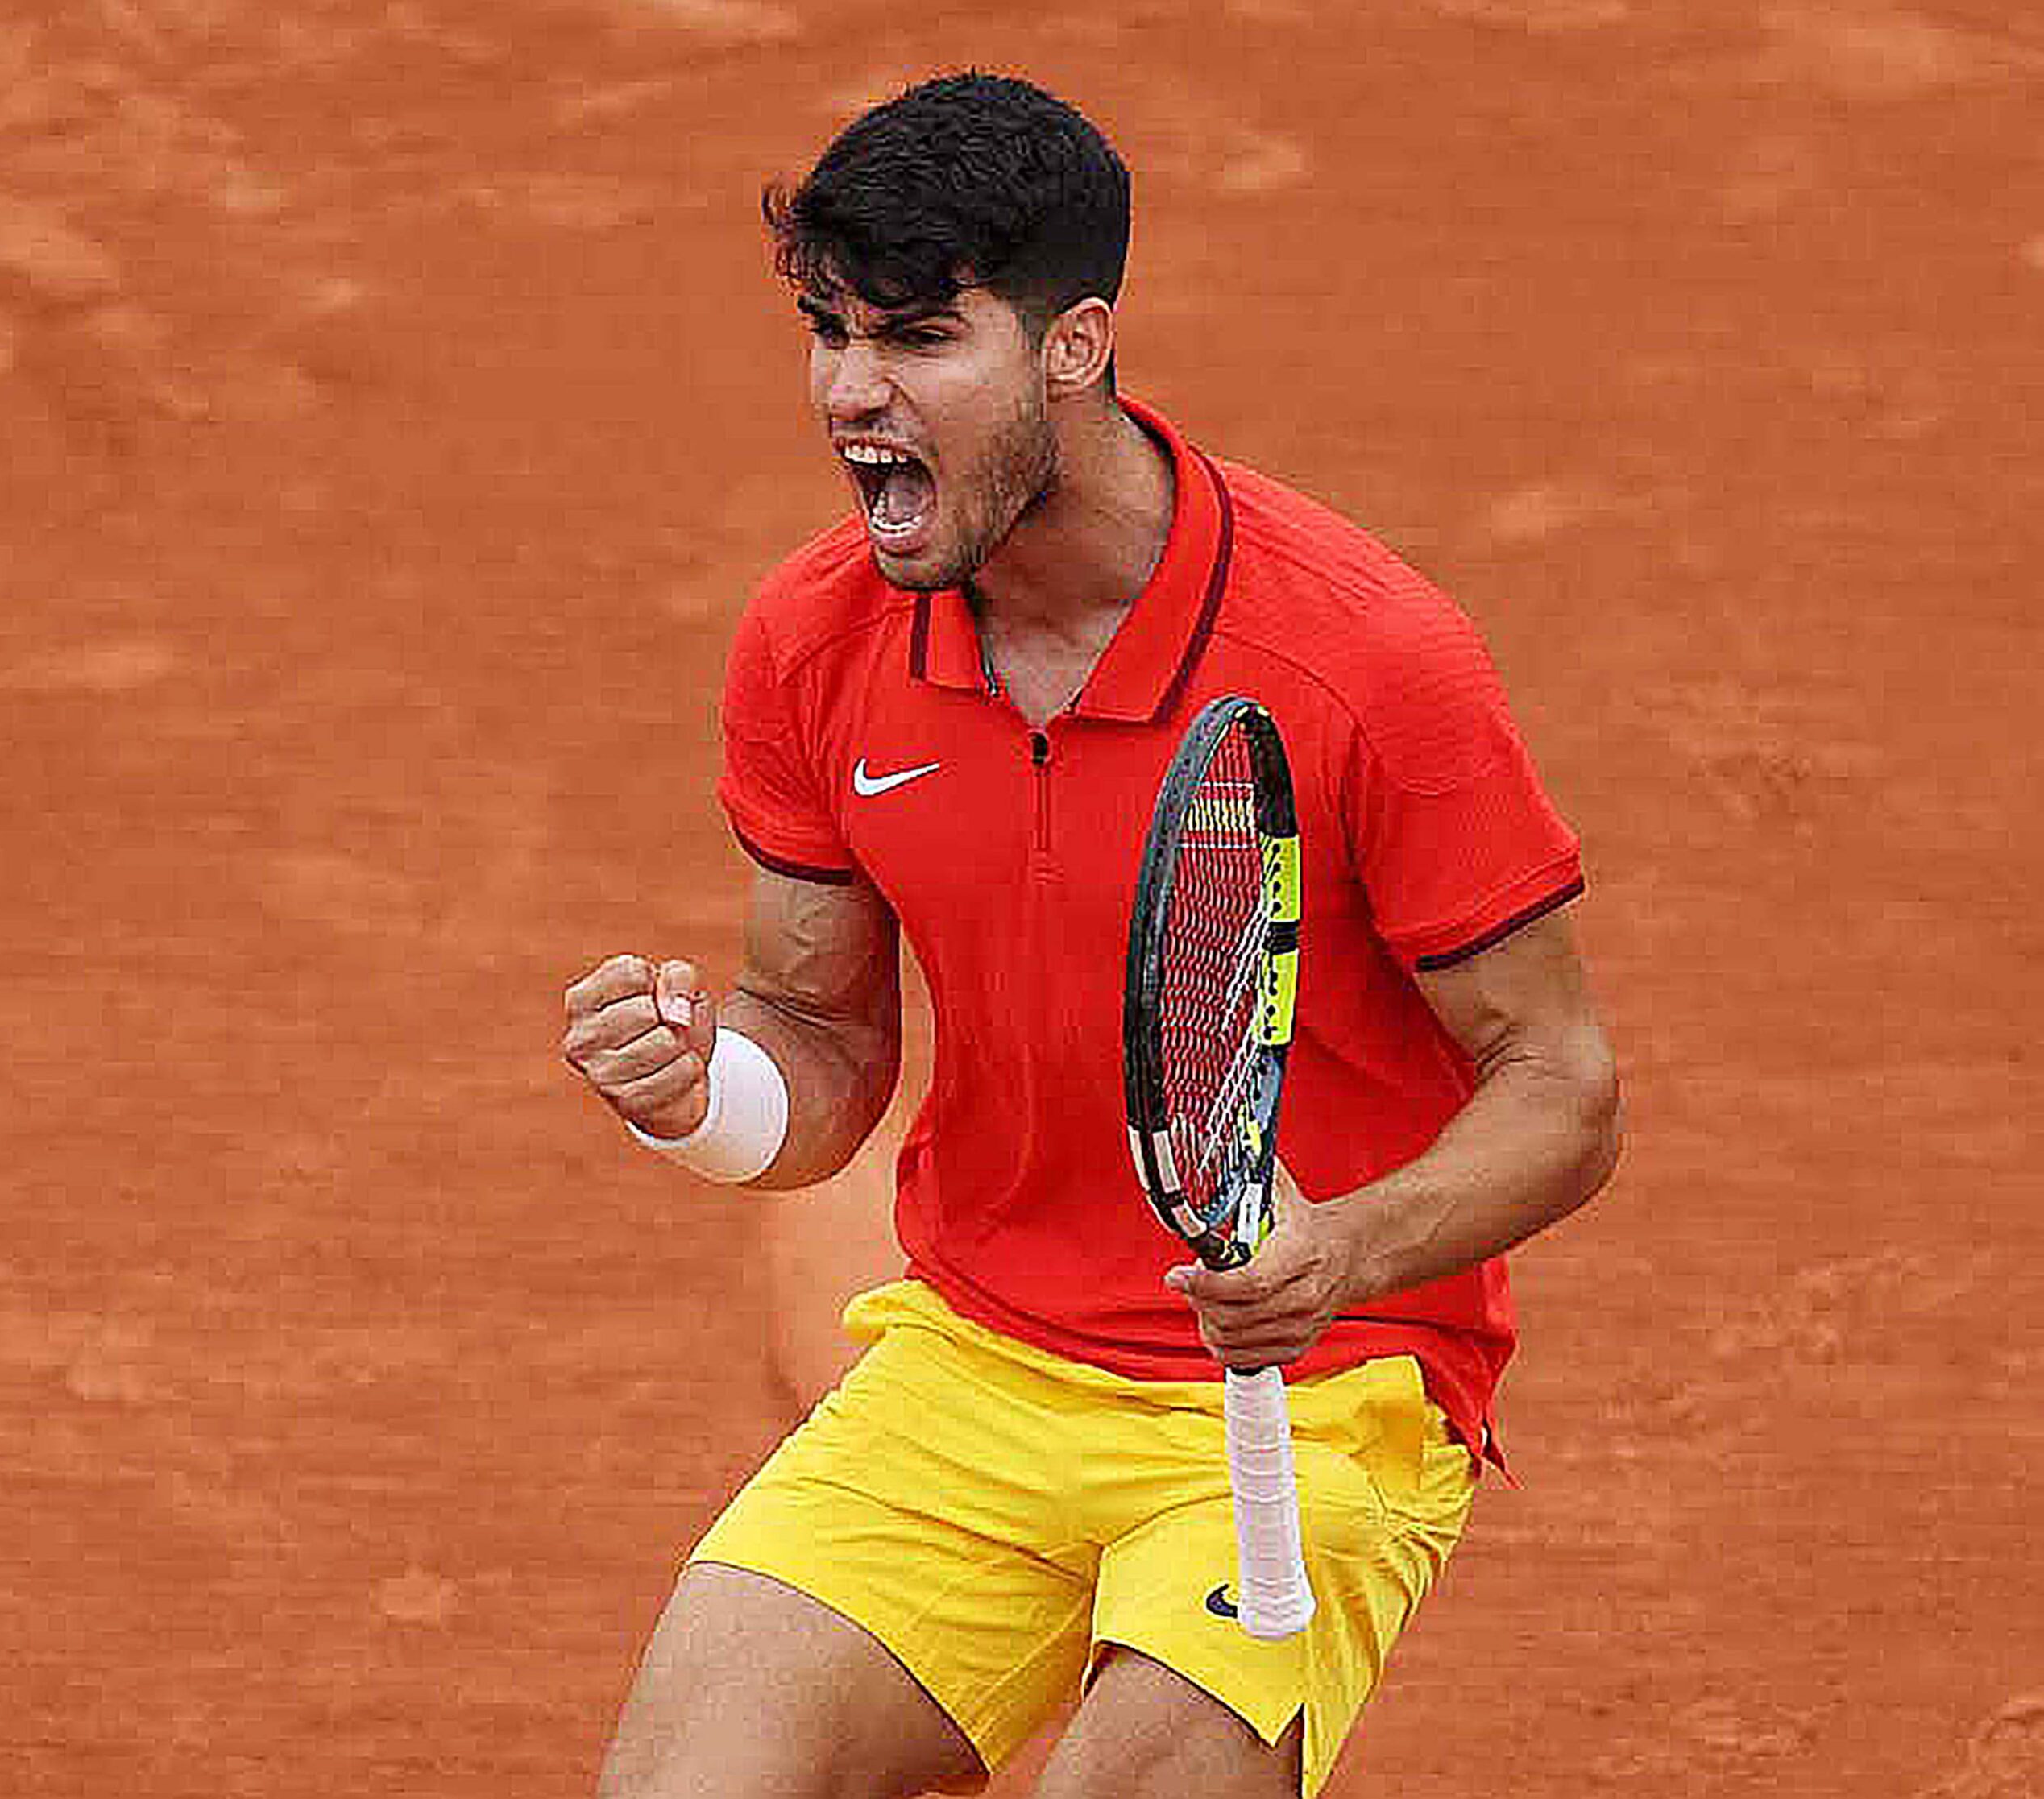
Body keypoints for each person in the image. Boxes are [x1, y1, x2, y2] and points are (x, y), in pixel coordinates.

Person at [561, 71, 1621, 1799]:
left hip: (1313, 1394)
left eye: (918, 337)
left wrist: (1337, 1254)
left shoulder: (1366, 657)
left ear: (1075, 346)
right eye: (830, 331)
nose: (851, 392)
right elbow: (816, 1040)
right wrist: (700, 1097)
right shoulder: (815, 638)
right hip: (977, 1364)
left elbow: (1561, 1085)